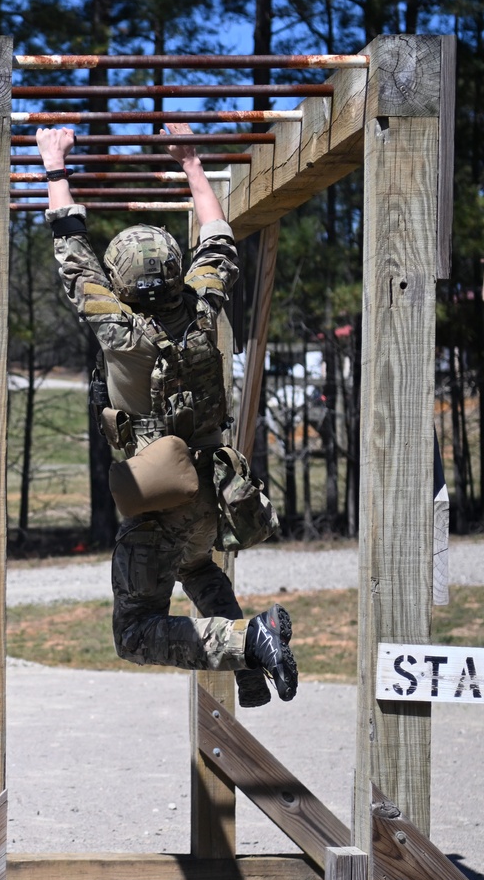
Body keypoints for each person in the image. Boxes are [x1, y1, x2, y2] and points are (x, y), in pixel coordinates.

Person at [35, 123, 297, 707]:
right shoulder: (204, 307)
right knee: (199, 568)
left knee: (134, 633)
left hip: (157, 503)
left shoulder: (121, 331)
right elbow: (218, 236)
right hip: (214, 493)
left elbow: (72, 251)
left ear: (121, 282)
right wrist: (191, 161)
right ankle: (249, 669)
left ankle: (250, 641)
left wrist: (54, 161)